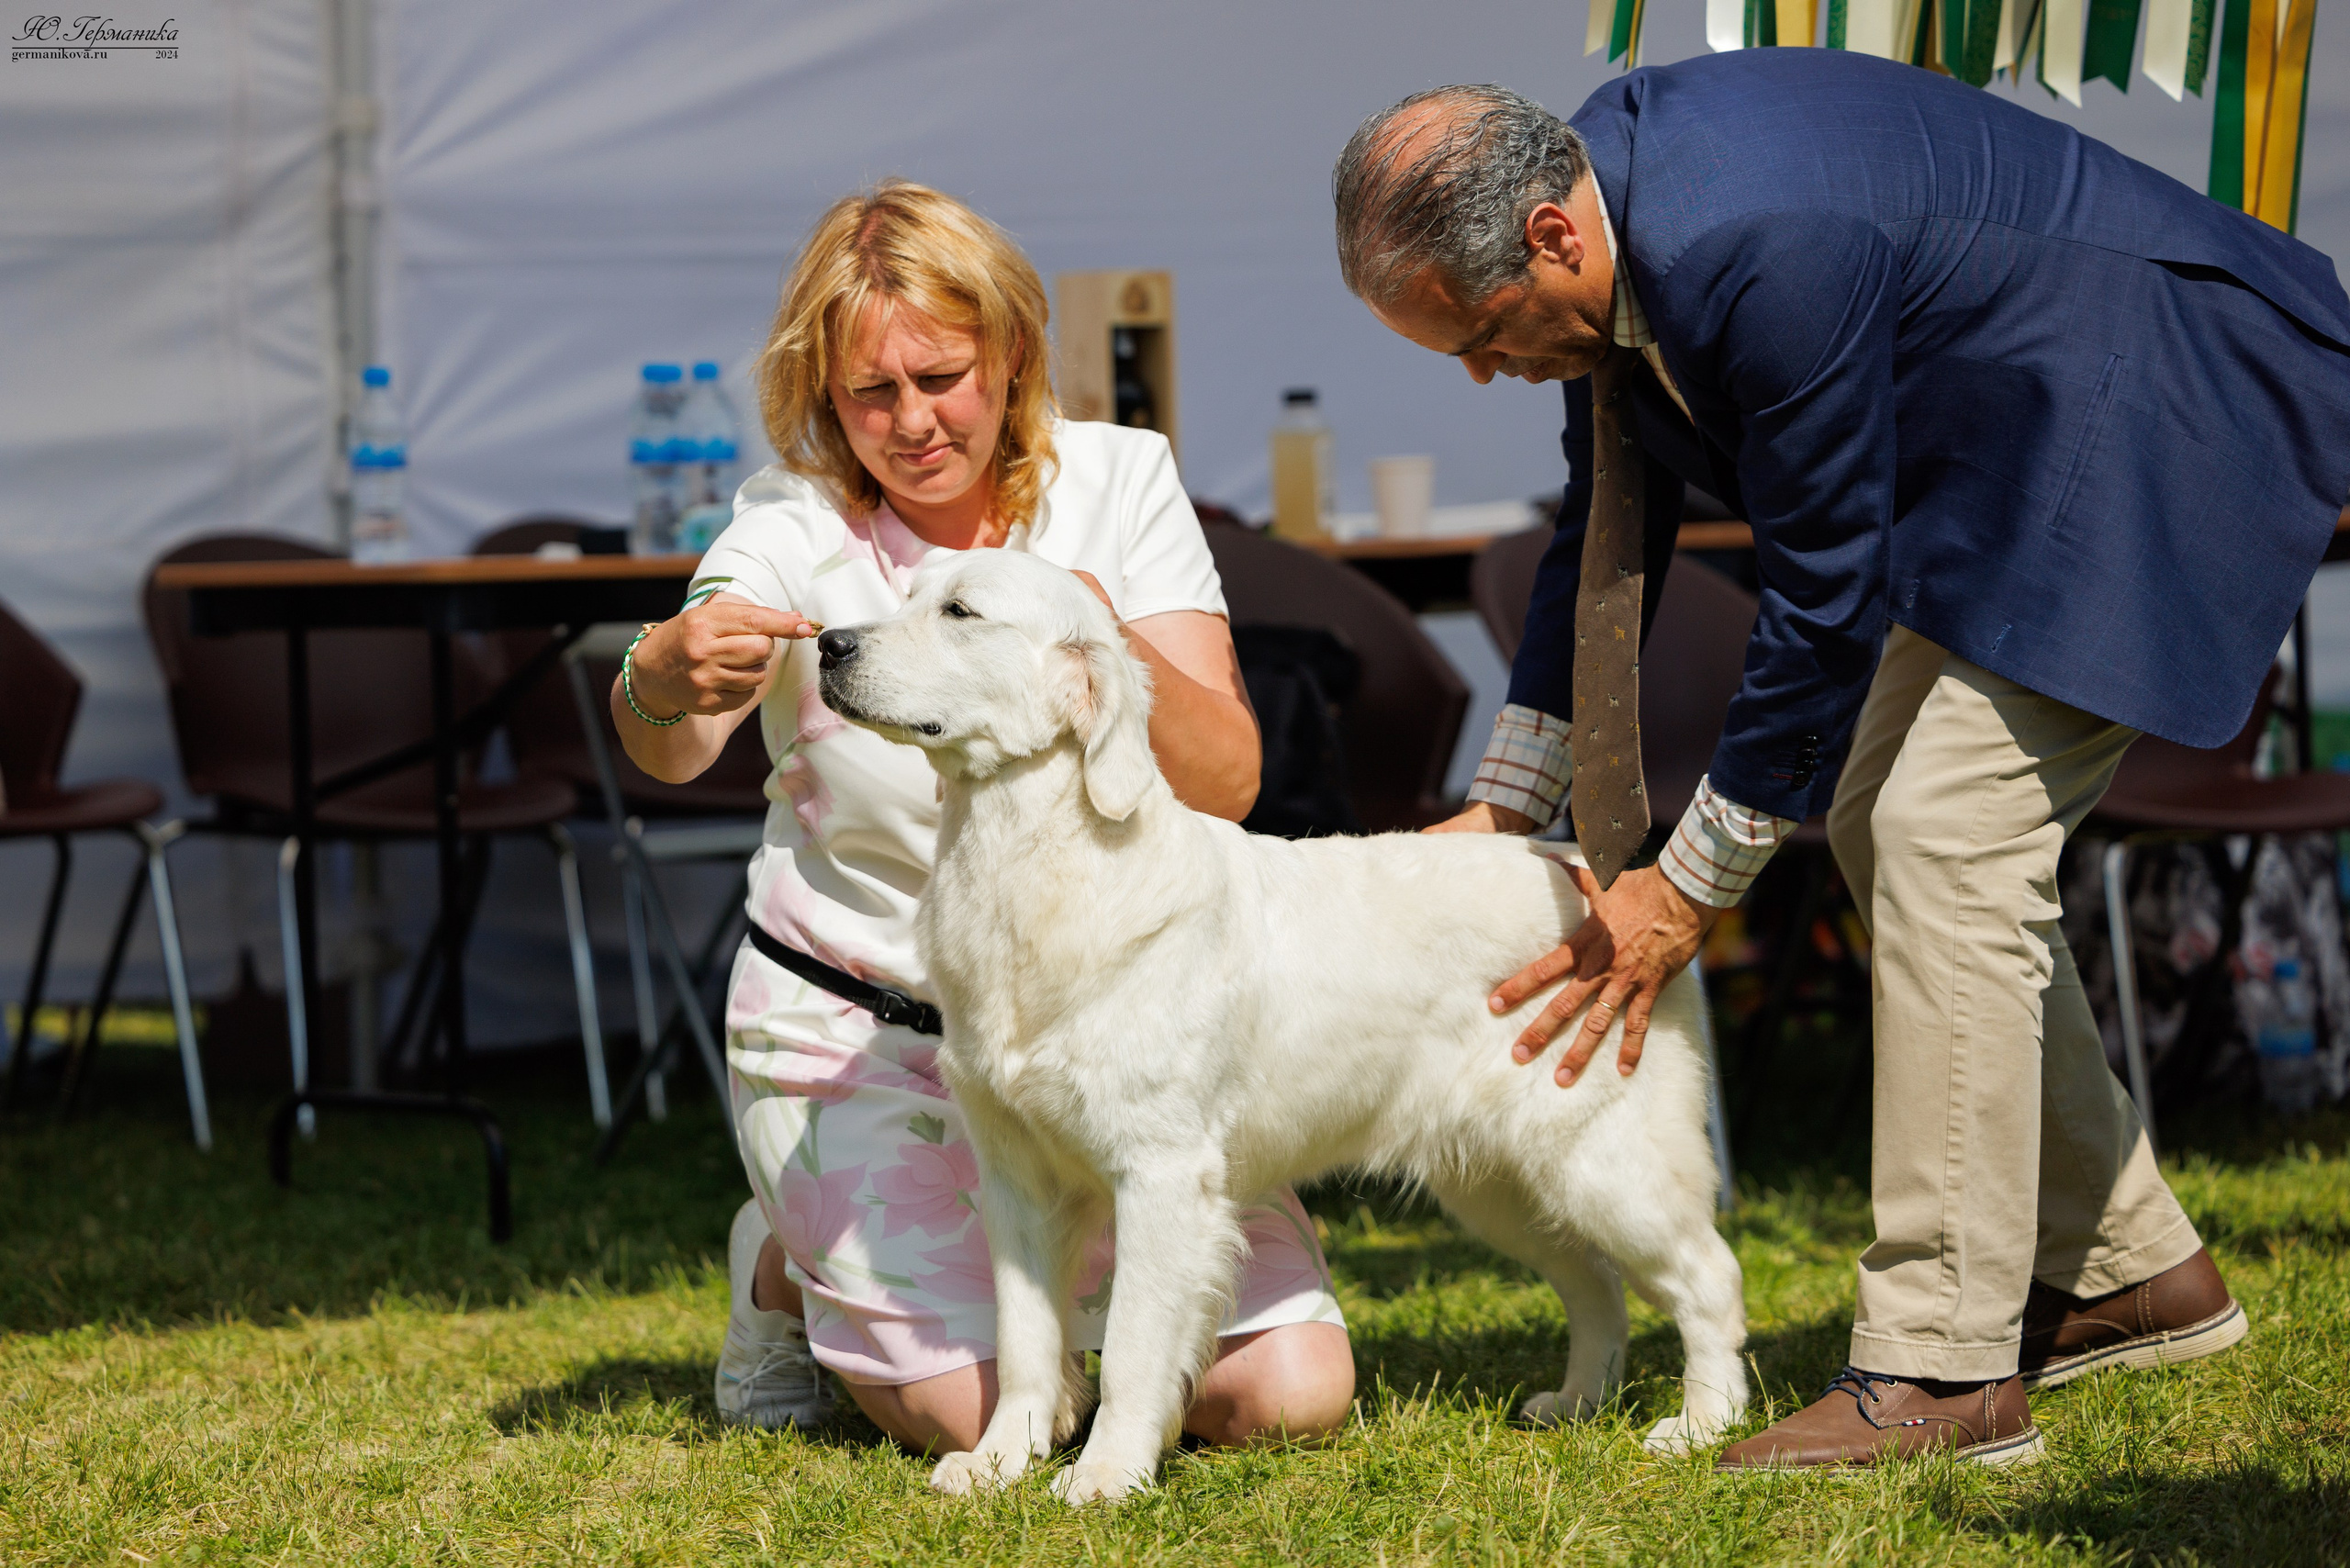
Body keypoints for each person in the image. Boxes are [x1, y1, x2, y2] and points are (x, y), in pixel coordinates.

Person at [1334, 51, 2350, 1470]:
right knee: (1895, 829)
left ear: (1550, 236)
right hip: (2029, 442)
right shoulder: (1605, 212)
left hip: (2159, 409)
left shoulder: (1753, 243)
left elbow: (1822, 597)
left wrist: (1688, 889)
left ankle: (1941, 1372)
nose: (1486, 369)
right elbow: (1604, 526)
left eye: (1482, 332)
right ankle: (2130, 1271)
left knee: (1941, 834)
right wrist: (1508, 800)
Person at [616, 181, 1355, 1454]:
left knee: (1282, 1401)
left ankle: (979, 1273)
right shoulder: (788, 522)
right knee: (982, 1419)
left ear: (1013, 351)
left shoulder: (1120, 482)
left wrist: (1086, 626)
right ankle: (781, 1267)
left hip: (1117, 1038)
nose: (912, 422)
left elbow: (1228, 781)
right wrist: (662, 672)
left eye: (944, 376)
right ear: (823, 395)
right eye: (869, 394)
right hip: (872, 1032)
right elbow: (673, 748)